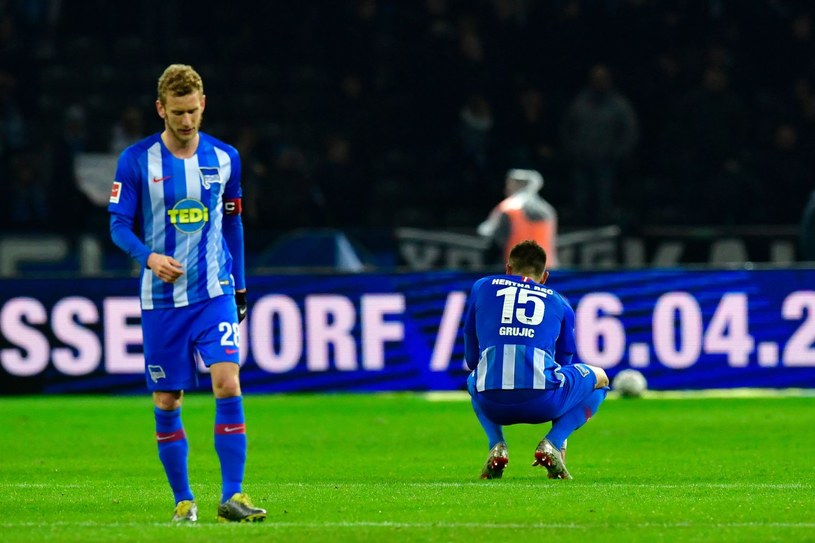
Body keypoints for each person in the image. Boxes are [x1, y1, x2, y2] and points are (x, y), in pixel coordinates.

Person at [107, 64, 266, 523]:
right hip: (161, 302)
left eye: (193, 111)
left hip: (212, 292)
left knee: (227, 380)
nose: (187, 120)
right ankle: (183, 500)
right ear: (161, 109)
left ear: (203, 105)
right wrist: (149, 257)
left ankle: (233, 496)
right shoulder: (136, 161)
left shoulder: (225, 158)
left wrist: (238, 286)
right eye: (177, 112)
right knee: (168, 401)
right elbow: (118, 225)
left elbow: (233, 221)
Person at [463, 240, 609, 480]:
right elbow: (562, 365)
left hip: (492, 404)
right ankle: (554, 442)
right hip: (543, 402)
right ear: (545, 277)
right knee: (600, 379)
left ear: (508, 269)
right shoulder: (559, 302)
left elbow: (470, 358)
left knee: (475, 377)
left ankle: (496, 445)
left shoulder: (482, 286)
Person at [561, 64, 638, 226]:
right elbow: (567, 128)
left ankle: (603, 236)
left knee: (604, 200)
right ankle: (579, 233)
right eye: (596, 78)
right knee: (580, 200)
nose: (599, 82)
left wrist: (616, 153)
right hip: (581, 161)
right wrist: (573, 150)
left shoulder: (619, 105)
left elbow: (630, 132)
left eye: (602, 78)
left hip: (606, 162)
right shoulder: (580, 102)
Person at [477, 169, 558, 268]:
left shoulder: (509, 207)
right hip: (545, 269)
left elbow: (493, 236)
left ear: (516, 184)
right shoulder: (547, 209)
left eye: (509, 183)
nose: (506, 187)